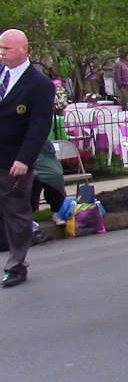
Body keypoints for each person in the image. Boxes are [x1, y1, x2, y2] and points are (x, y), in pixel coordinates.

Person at [0, 29, 55, 287]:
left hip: (14, 159)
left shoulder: (38, 84)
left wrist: (24, 158)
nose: (1, 53)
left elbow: (39, 126)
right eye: (0, 48)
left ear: (23, 49)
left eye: (6, 49)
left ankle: (16, 264)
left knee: (16, 212)